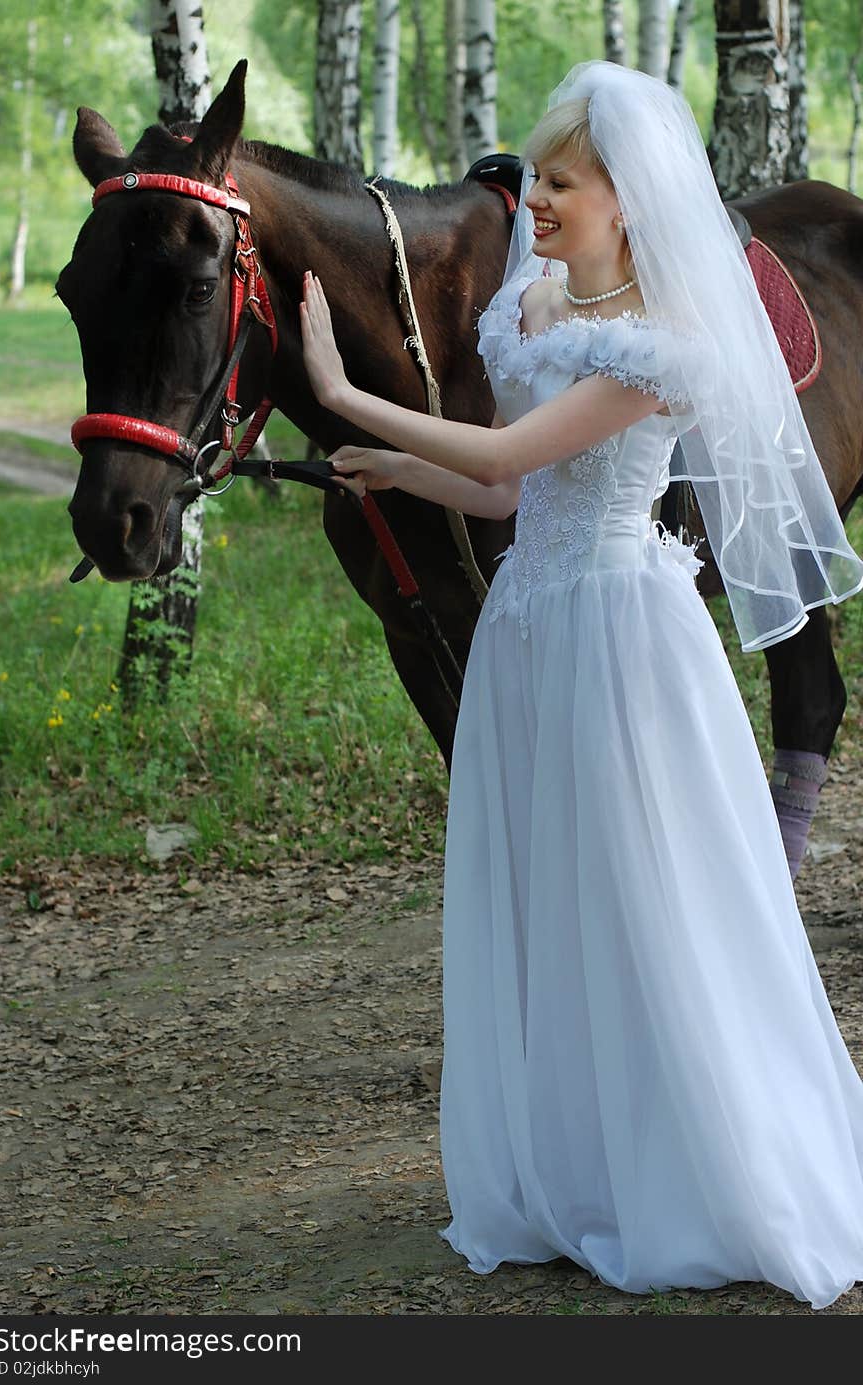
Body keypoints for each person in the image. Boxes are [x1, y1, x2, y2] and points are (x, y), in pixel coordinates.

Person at [299, 59, 863, 1310]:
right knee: (554, 901)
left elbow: (505, 445)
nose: (535, 201)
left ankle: (703, 1169)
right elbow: (502, 490)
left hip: (622, 639)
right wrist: (396, 473)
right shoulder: (540, 315)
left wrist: (348, 392)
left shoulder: (666, 344)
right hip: (530, 635)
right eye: (539, 178)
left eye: (559, 181)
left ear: (626, 196)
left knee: (646, 900)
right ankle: (585, 1162)